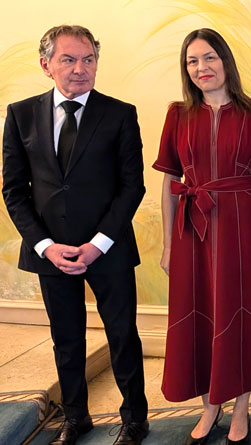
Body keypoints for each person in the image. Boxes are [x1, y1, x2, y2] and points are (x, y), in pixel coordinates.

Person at [2, 25, 148, 445]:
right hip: (52, 251)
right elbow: (14, 190)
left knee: (122, 336)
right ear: (46, 64)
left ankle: (134, 419)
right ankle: (75, 417)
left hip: (108, 249)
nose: (80, 68)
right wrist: (45, 247)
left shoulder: (120, 114)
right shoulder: (21, 114)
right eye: (68, 59)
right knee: (66, 340)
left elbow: (132, 187)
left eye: (88, 59)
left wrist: (98, 244)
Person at [154, 28, 251, 445]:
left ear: (225, 60)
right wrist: (168, 244)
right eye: (192, 61)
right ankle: (210, 406)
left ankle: (241, 408)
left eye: (209, 57)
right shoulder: (177, 114)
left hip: (242, 224)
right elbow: (169, 181)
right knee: (198, 312)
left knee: (239, 312)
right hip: (191, 227)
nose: (201, 67)